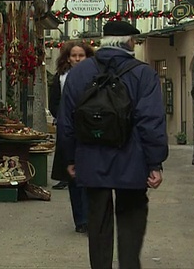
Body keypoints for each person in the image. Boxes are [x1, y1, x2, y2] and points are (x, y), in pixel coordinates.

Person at [58, 21, 169, 269]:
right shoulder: (143, 74)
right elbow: (150, 120)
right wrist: (154, 162)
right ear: (129, 42)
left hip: (90, 156)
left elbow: (66, 121)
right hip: (132, 159)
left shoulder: (79, 73)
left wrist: (70, 158)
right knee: (131, 220)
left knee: (97, 222)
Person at [48, 40, 95, 233]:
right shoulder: (60, 77)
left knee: (90, 174)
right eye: (74, 56)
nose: (77, 59)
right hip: (69, 130)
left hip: (91, 130)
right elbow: (54, 103)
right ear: (68, 58)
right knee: (74, 176)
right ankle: (81, 220)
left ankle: (91, 216)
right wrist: (64, 118)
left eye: (81, 55)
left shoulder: (96, 75)